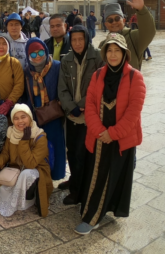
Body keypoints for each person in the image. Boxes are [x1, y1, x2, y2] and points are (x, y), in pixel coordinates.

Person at [75, 32, 145, 235]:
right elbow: (89, 105)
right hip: (98, 138)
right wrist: (99, 131)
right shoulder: (98, 75)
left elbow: (134, 113)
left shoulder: (135, 77)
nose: (113, 55)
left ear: (125, 54)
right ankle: (93, 212)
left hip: (120, 139)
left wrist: (112, 134)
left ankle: (94, 217)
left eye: (117, 51)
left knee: (112, 176)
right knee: (97, 175)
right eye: (109, 50)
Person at [58, 25, 103, 205]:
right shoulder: (66, 59)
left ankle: (79, 191)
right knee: (73, 152)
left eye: (80, 39)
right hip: (72, 116)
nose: (77, 43)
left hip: (89, 117)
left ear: (87, 39)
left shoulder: (97, 57)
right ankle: (75, 182)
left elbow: (99, 85)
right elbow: (62, 88)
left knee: (84, 154)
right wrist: (71, 107)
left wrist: (82, 105)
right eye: (74, 39)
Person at [0, 103, 52, 217]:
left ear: (30, 117)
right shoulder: (11, 132)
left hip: (36, 171)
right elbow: (6, 153)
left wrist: (24, 141)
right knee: (4, 188)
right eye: (16, 118)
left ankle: (30, 198)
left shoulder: (39, 136)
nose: (20, 121)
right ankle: (20, 199)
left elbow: (30, 164)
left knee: (26, 174)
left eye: (23, 117)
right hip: (16, 169)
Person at [23, 38, 66, 181]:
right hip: (36, 114)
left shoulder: (57, 66)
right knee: (39, 145)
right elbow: (26, 93)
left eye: (40, 51)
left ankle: (57, 174)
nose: (38, 56)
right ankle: (42, 174)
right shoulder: (28, 71)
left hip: (53, 114)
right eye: (33, 54)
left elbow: (63, 87)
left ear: (46, 50)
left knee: (56, 143)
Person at [99, 0, 155, 70]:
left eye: (117, 18)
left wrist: (141, 10)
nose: (114, 22)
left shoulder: (134, 37)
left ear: (124, 20)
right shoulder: (103, 45)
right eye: (110, 20)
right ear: (106, 25)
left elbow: (149, 31)